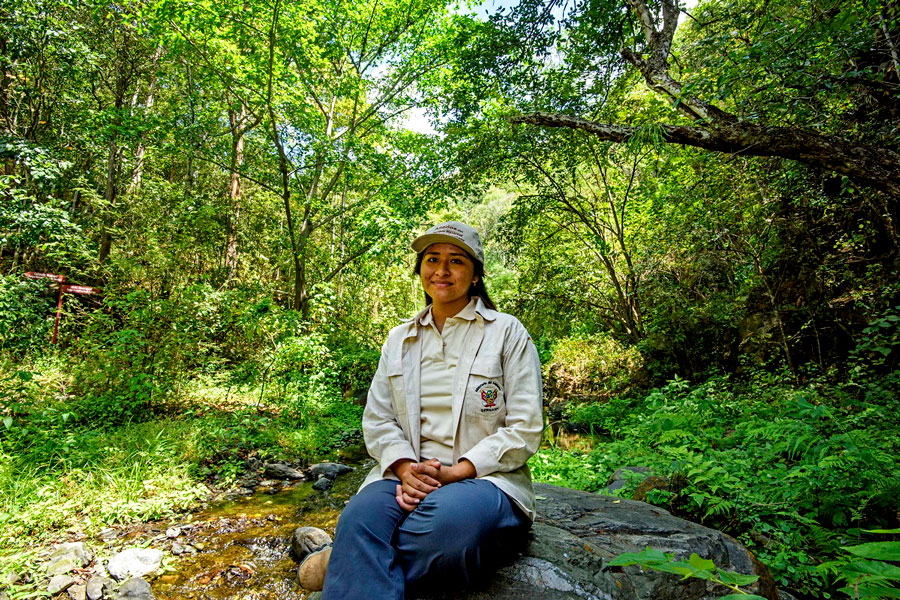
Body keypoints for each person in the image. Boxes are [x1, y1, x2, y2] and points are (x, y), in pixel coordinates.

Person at [299, 221, 544, 598]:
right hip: (406, 475)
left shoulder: (507, 333)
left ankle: (347, 562)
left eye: (456, 261)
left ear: (475, 275)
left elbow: (525, 428)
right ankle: (355, 552)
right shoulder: (399, 339)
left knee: (442, 531)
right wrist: (403, 468)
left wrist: (456, 472)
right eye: (432, 259)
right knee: (358, 518)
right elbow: (378, 419)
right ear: (420, 270)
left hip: (486, 480)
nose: (442, 270)